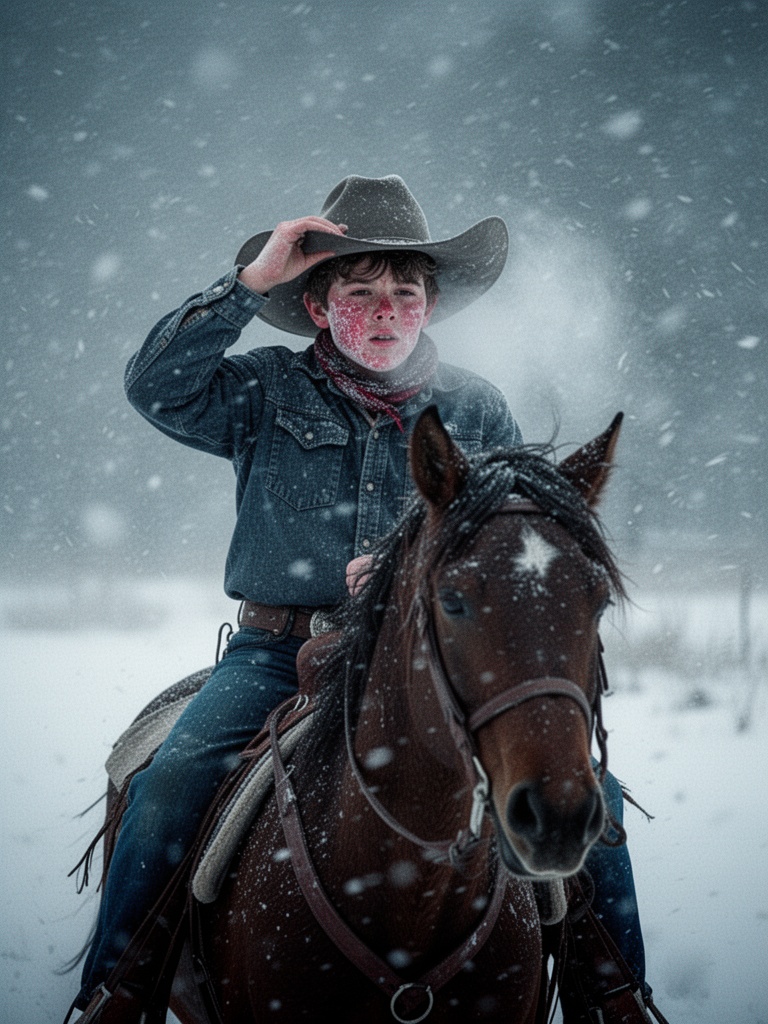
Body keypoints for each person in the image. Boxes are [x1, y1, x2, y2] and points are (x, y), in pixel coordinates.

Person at [69, 175, 649, 1023]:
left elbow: (503, 548)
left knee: (594, 793)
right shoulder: (266, 389)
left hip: (428, 665)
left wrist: (405, 574)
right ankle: (117, 992)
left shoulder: (475, 408)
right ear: (317, 307)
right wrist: (250, 284)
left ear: (430, 307)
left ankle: (618, 996)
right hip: (279, 655)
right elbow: (156, 387)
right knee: (172, 779)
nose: (385, 312)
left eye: (405, 294)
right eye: (359, 294)